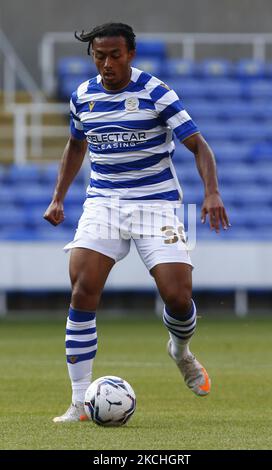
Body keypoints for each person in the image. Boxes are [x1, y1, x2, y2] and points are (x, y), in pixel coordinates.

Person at [44, 22, 229, 423]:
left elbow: (199, 145)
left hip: (156, 204)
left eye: (114, 55)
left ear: (130, 54)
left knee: (178, 296)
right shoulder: (83, 96)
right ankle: (78, 403)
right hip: (104, 205)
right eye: (99, 56)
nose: (106, 63)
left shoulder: (156, 92)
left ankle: (180, 352)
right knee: (81, 289)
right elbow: (76, 145)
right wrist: (59, 196)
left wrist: (211, 192)